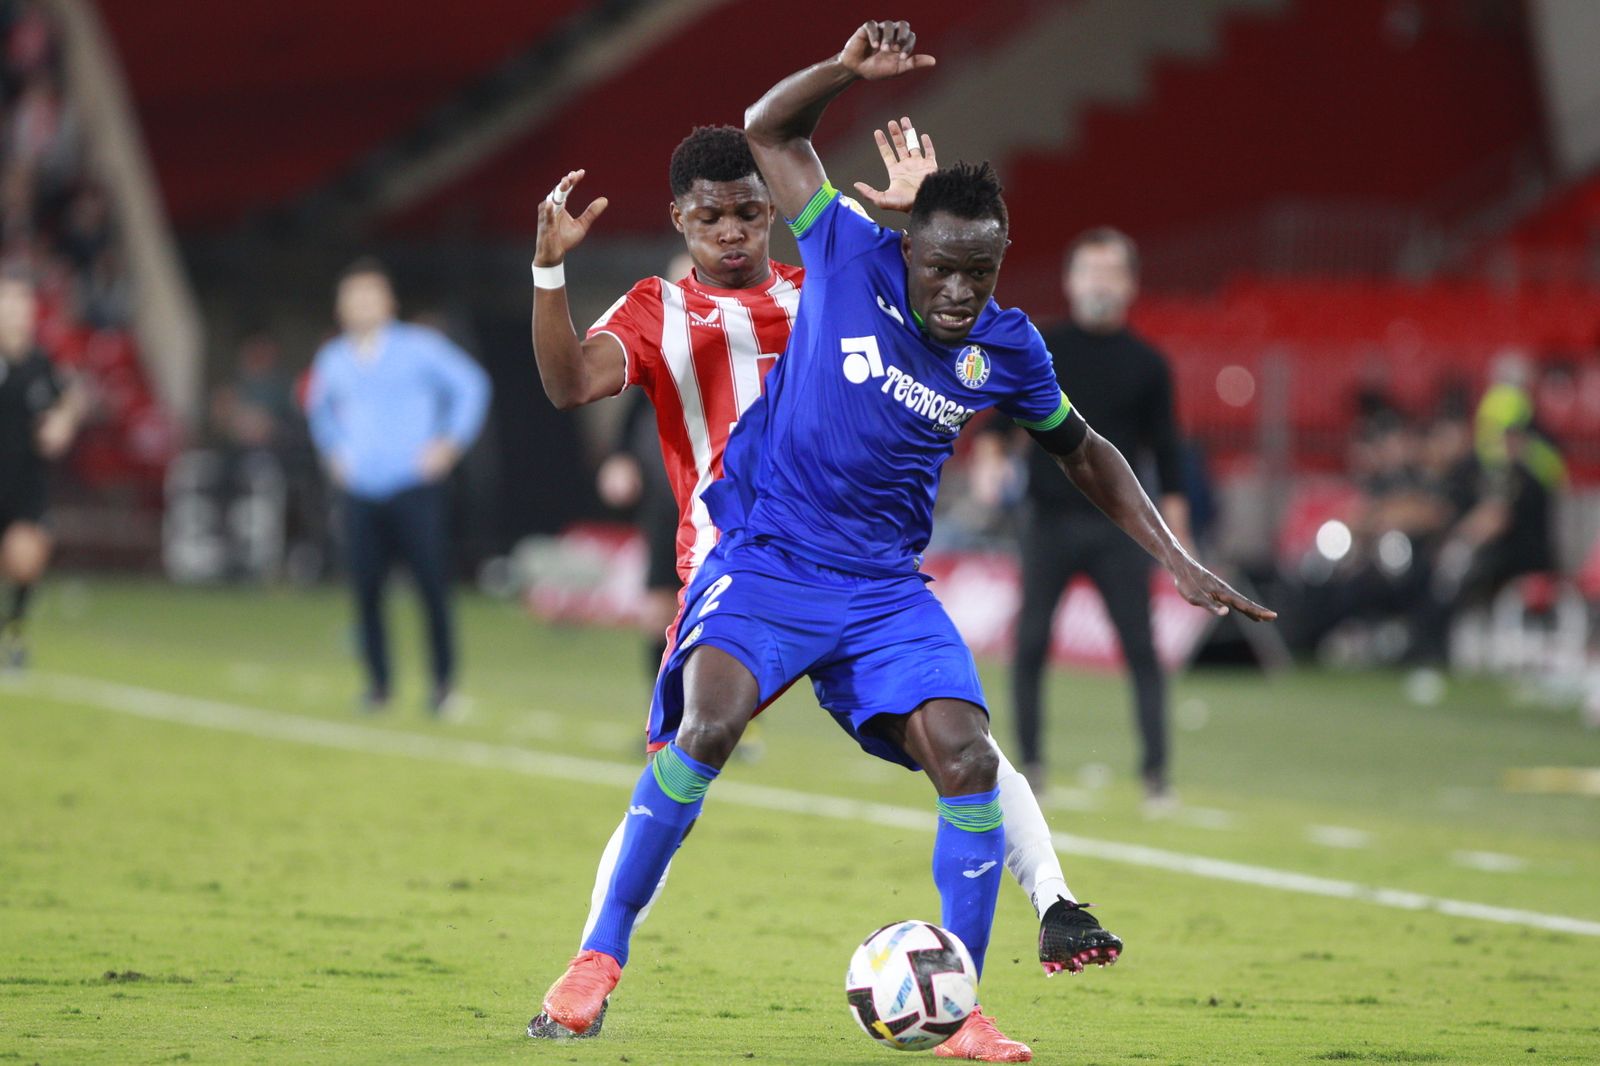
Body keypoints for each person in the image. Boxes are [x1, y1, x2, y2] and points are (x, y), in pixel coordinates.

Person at [535, 22, 1274, 1062]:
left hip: (882, 587)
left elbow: (1086, 449)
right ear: (908, 250)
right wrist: (841, 72)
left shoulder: (1007, 346)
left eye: (981, 271)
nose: (960, 294)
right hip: (767, 555)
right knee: (704, 728)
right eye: (943, 269)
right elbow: (766, 128)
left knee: (969, 753)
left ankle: (965, 1006)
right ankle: (596, 960)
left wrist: (1180, 559)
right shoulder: (841, 250)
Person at [1003, 228, 1189, 811]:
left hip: (1120, 529)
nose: (1099, 283)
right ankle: (1029, 767)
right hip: (1048, 522)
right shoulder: (1043, 345)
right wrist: (987, 461)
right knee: (1030, 642)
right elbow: (997, 422)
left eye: (1111, 272)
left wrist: (1178, 542)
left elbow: (1168, 452)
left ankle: (1156, 777)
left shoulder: (1149, 365)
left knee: (1141, 649)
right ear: (1070, 280)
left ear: (1131, 284)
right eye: (1090, 270)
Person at [305, 258, 490, 716]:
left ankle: (443, 687)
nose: (362, 305)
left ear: (389, 302)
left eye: (371, 295)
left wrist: (448, 445)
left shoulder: (419, 347)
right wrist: (333, 452)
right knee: (366, 591)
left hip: (413, 486)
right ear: (340, 307)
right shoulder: (333, 358)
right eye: (353, 296)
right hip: (360, 490)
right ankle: (378, 686)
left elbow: (472, 385)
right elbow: (319, 410)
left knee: (432, 588)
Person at [0, 267, 83, 668]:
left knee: (26, 559)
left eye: (22, 302)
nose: (16, 310)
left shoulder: (40, 364)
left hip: (24, 484)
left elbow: (71, 395)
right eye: (8, 301)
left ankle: (14, 634)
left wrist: (63, 420)